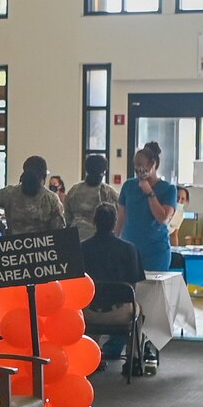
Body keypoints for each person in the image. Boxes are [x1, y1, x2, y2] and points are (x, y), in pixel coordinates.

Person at [80, 204, 146, 367]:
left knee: (90, 300)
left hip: (88, 313)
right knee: (139, 311)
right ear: (115, 222)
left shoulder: (81, 248)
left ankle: (93, 355)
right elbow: (133, 284)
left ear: (94, 222)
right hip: (119, 314)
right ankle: (134, 359)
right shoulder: (129, 249)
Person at [116, 143, 178, 271]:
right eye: (135, 165)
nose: (138, 169)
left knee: (153, 288)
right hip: (130, 250)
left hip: (155, 252)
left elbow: (163, 218)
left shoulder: (168, 189)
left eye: (141, 164)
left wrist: (149, 192)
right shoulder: (129, 186)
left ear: (152, 164)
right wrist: (115, 241)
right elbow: (121, 217)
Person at [0, 155, 68, 234]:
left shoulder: (9, 193)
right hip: (42, 249)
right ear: (44, 177)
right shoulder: (51, 199)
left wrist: (1, 228)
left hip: (13, 246)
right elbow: (58, 232)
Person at [63, 153, 119, 242]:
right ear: (103, 172)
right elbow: (116, 219)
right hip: (98, 241)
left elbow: (67, 220)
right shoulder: (109, 193)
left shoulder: (74, 191)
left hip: (78, 239)